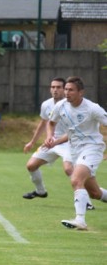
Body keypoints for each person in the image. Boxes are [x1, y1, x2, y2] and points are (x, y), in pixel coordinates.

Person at [44, 76, 107, 231]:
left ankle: (80, 220)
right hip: (75, 150)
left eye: (71, 90)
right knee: (94, 193)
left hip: (92, 148)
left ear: (81, 92)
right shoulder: (61, 106)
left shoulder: (92, 108)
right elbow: (51, 123)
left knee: (76, 180)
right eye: (66, 89)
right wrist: (50, 137)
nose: (67, 92)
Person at [22, 78, 74, 200]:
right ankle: (40, 191)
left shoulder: (71, 105)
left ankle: (86, 201)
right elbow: (43, 123)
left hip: (69, 142)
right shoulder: (46, 104)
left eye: (58, 87)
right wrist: (32, 142)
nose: (55, 90)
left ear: (65, 89)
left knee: (69, 169)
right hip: (51, 142)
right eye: (53, 87)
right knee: (31, 165)